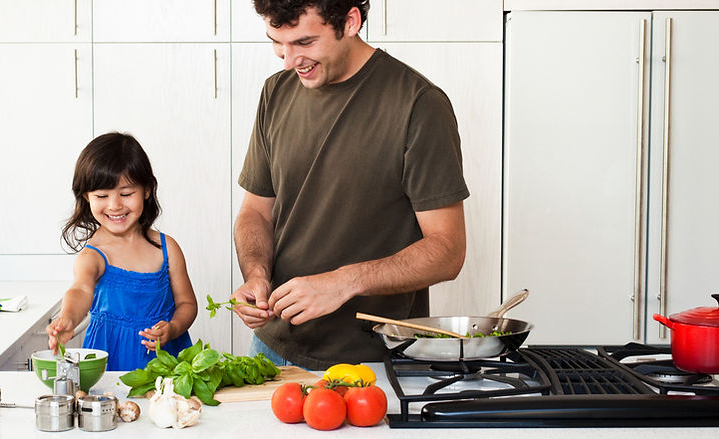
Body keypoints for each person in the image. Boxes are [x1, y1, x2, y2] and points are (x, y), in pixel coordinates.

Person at [231, 0, 469, 370]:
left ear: (350, 21)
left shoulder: (419, 104)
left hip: (374, 361)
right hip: (273, 348)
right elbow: (256, 212)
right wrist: (256, 274)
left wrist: (345, 282)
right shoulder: (275, 92)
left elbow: (448, 251)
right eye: (277, 42)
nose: (289, 60)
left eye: (305, 43)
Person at [47, 132, 197, 371]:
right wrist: (68, 317)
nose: (115, 205)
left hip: (164, 360)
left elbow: (187, 304)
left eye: (126, 194)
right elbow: (80, 290)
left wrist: (174, 328)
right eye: (101, 196)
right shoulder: (93, 255)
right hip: (109, 358)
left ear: (147, 190)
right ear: (87, 197)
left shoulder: (167, 249)